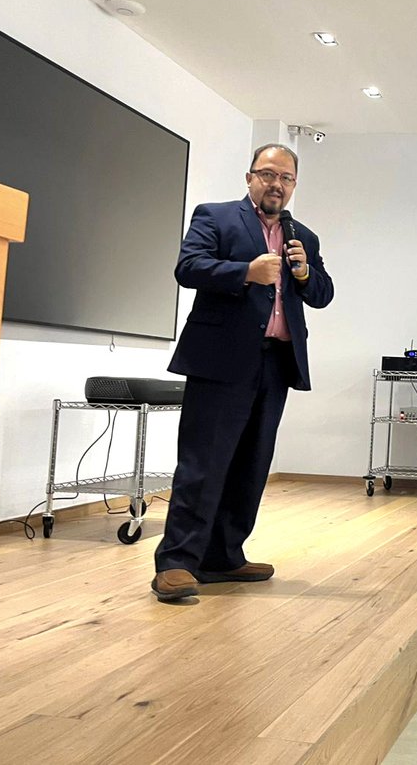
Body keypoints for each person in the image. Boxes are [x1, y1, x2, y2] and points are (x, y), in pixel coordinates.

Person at [151, 144, 335, 602]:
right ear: (250, 177)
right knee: (204, 462)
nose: (277, 184)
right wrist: (245, 272)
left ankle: (223, 556)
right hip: (220, 359)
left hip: (276, 362)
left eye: (286, 178)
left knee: (251, 465)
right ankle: (176, 562)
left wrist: (305, 273)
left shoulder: (303, 237)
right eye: (268, 174)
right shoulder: (215, 216)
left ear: (294, 186)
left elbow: (323, 294)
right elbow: (188, 267)